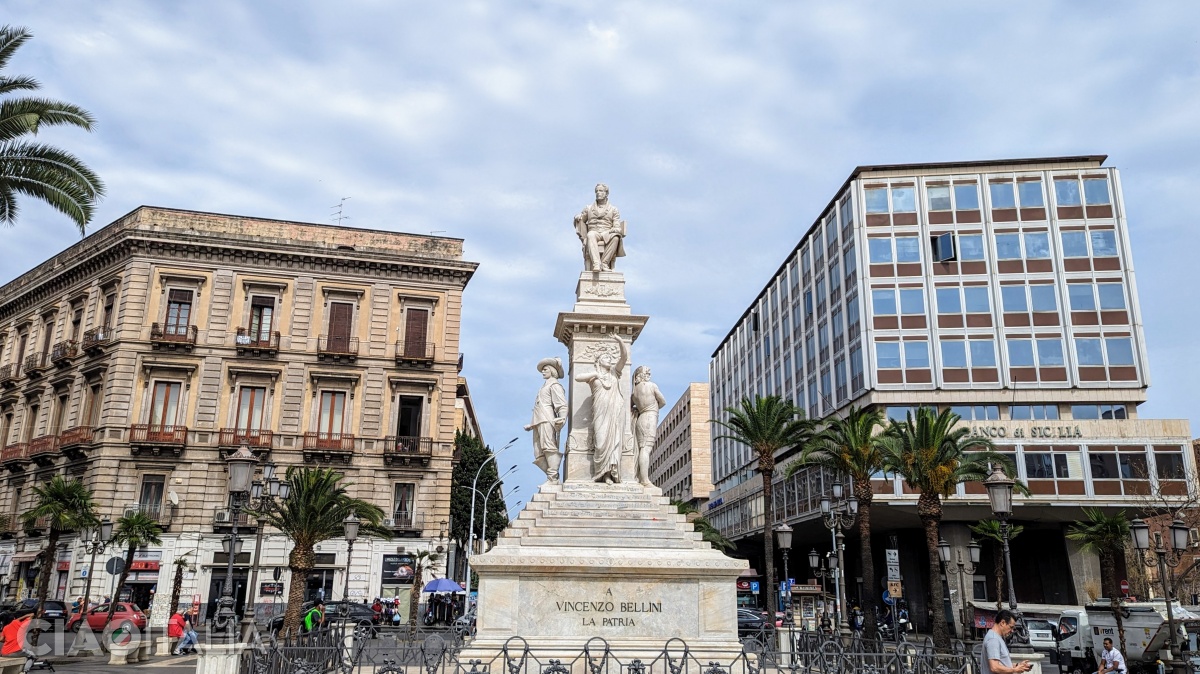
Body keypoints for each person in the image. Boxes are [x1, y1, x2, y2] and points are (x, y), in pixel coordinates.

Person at [575, 334, 629, 483]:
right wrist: (595, 373)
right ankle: (599, 472)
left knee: (613, 443)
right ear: (599, 361)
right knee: (600, 442)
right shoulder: (594, 376)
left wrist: (620, 340)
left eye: (610, 358)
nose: (609, 360)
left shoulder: (615, 373)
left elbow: (624, 358)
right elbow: (577, 377)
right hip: (599, 412)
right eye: (606, 358)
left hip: (615, 412)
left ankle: (608, 475)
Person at [525, 357, 567, 482]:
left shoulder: (555, 385)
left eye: (545, 369)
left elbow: (562, 404)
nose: (543, 372)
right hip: (538, 421)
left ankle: (553, 478)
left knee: (549, 447)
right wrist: (532, 425)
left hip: (547, 419)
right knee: (538, 452)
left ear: (552, 371)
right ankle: (551, 475)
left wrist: (562, 417)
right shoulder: (544, 385)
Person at [573, 183, 627, 272]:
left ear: (606, 193)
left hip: (607, 233)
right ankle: (596, 263)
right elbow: (581, 219)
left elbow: (617, 225)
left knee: (616, 237)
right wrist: (577, 217)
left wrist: (616, 229)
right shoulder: (589, 208)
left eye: (601, 191)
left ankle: (605, 263)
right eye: (597, 191)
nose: (598, 193)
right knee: (590, 235)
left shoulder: (613, 209)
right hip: (594, 232)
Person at [629, 365, 665, 486]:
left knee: (641, 449)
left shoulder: (634, 392)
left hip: (641, 418)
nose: (649, 374)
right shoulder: (652, 386)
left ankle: (641, 477)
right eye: (647, 372)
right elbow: (663, 401)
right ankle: (644, 480)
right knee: (645, 449)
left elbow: (629, 406)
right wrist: (654, 409)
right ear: (641, 375)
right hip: (649, 417)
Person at [982, 609, 1033, 674]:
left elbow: (1002, 664)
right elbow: (994, 667)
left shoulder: (996, 637)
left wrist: (1018, 666)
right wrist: (1015, 670)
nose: (1012, 631)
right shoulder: (993, 639)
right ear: (1002, 623)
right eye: (1011, 627)